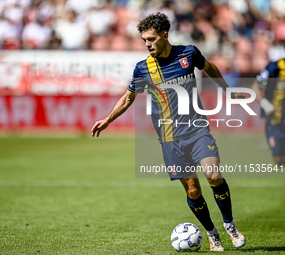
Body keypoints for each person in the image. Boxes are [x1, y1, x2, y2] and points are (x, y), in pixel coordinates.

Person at [91, 12, 245, 251]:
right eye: (144, 40)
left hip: (197, 129)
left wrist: (227, 90)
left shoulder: (188, 53)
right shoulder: (143, 68)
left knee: (213, 175)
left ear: (164, 35)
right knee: (193, 190)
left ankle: (230, 225)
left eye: (151, 39)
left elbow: (210, 67)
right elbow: (128, 96)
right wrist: (108, 119)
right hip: (170, 138)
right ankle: (212, 234)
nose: (147, 44)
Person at [251, 41, 285, 167]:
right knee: (279, 160)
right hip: (276, 119)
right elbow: (255, 87)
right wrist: (266, 105)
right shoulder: (274, 67)